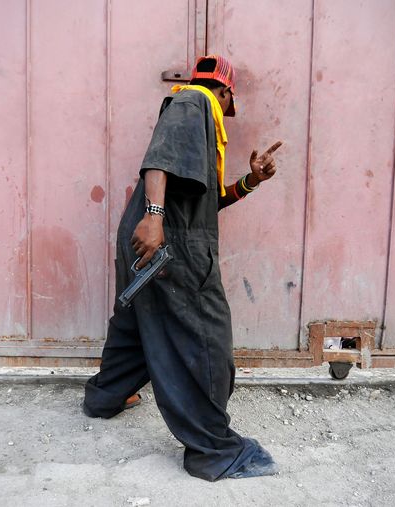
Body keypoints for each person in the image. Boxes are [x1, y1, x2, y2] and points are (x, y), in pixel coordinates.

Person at [83, 55, 283, 481]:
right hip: (166, 240)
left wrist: (251, 181)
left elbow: (208, 201)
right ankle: (214, 451)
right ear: (225, 93)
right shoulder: (193, 103)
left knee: (137, 323)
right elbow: (160, 157)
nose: (230, 108)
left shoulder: (200, 120)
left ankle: (104, 397)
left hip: (152, 236)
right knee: (205, 338)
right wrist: (154, 217)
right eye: (231, 100)